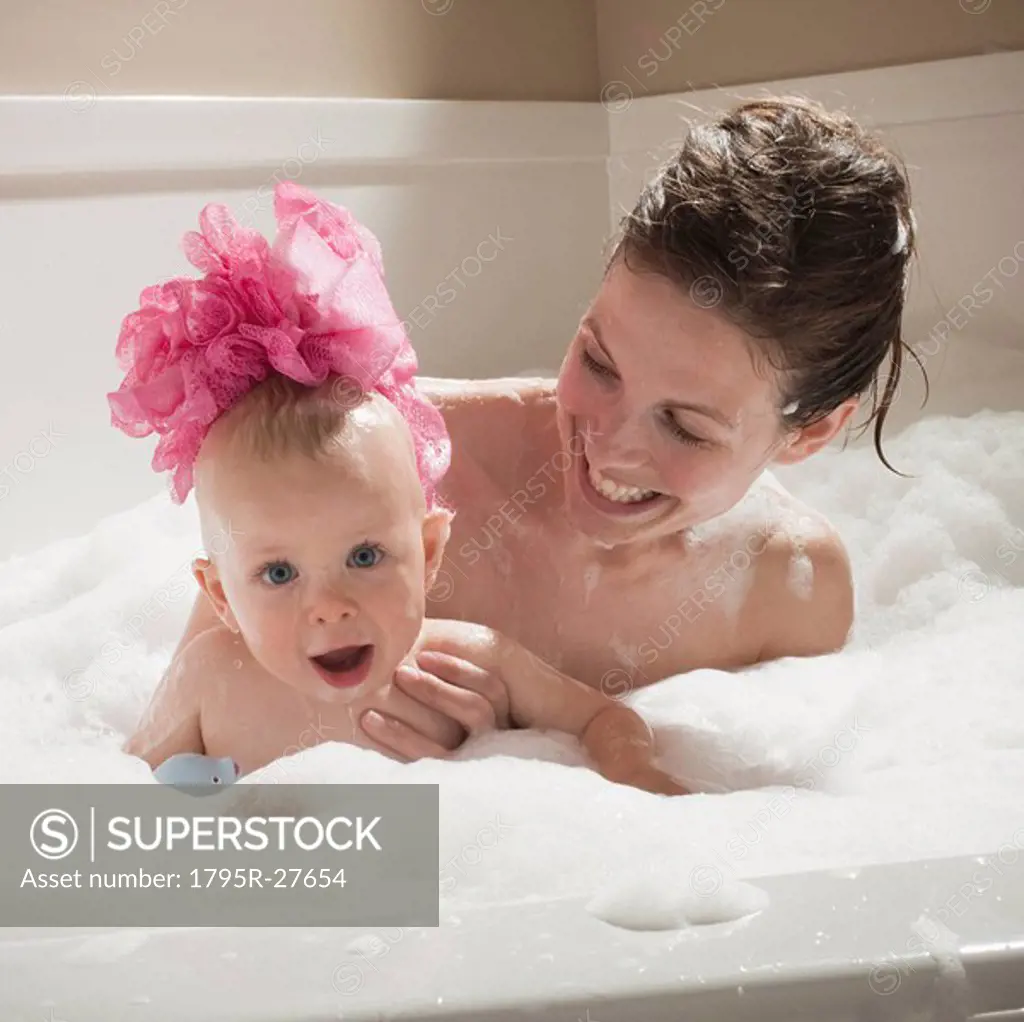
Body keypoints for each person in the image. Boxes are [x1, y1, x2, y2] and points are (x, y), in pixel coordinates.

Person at [156, 96, 917, 763]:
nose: (609, 445)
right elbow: (178, 744)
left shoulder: (786, 593)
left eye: (685, 427)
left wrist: (530, 759)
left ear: (810, 434)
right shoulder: (373, 461)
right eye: (599, 361)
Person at [114, 182, 686, 795]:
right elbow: (116, 794)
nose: (330, 606)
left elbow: (605, 717)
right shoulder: (210, 681)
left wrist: (633, 769)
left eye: (364, 556)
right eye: (279, 573)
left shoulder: (468, 661)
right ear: (221, 596)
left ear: (430, 550)